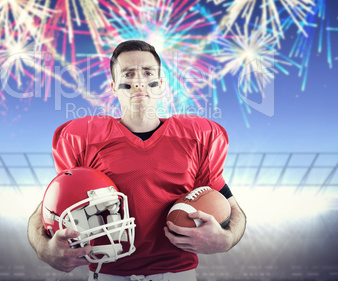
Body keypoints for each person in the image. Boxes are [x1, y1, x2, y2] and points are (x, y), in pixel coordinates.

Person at [28, 40, 246, 280]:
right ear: (113, 86)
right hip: (108, 273)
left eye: (148, 72)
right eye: (128, 73)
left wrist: (226, 239)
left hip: (177, 273)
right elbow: (47, 209)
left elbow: (233, 209)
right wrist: (43, 249)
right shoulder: (85, 138)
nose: (139, 81)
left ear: (161, 84)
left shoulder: (197, 137)